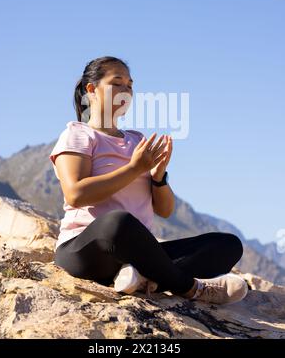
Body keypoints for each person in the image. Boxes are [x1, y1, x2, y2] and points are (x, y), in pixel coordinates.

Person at [49, 56, 248, 304]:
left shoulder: (136, 140)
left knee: (226, 245)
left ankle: (138, 277)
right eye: (117, 83)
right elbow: (75, 194)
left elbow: (164, 210)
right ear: (92, 90)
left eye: (130, 85)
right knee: (118, 223)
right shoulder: (78, 134)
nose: (126, 91)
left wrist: (157, 178)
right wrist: (134, 169)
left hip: (138, 252)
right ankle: (191, 288)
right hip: (87, 250)